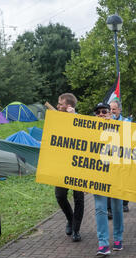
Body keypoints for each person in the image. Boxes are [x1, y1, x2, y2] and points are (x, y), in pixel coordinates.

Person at [92, 102, 124, 256]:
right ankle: (103, 243)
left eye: (104, 112)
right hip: (98, 174)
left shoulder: (121, 128)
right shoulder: (89, 130)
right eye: (97, 112)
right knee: (100, 208)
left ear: (110, 114)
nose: (101, 115)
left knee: (117, 207)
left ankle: (118, 238)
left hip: (116, 173)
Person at [55, 93, 85, 242]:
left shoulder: (81, 120)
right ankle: (70, 218)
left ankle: (76, 229)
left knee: (78, 197)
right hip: (62, 164)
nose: (57, 106)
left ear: (68, 106)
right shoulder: (56, 119)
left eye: (60, 104)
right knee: (60, 195)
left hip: (78, 166)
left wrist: (73, 119)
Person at [108, 99, 130, 215]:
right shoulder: (105, 121)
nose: (111, 111)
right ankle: (109, 209)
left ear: (119, 110)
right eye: (110, 109)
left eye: (114, 109)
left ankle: (125, 203)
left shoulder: (127, 121)